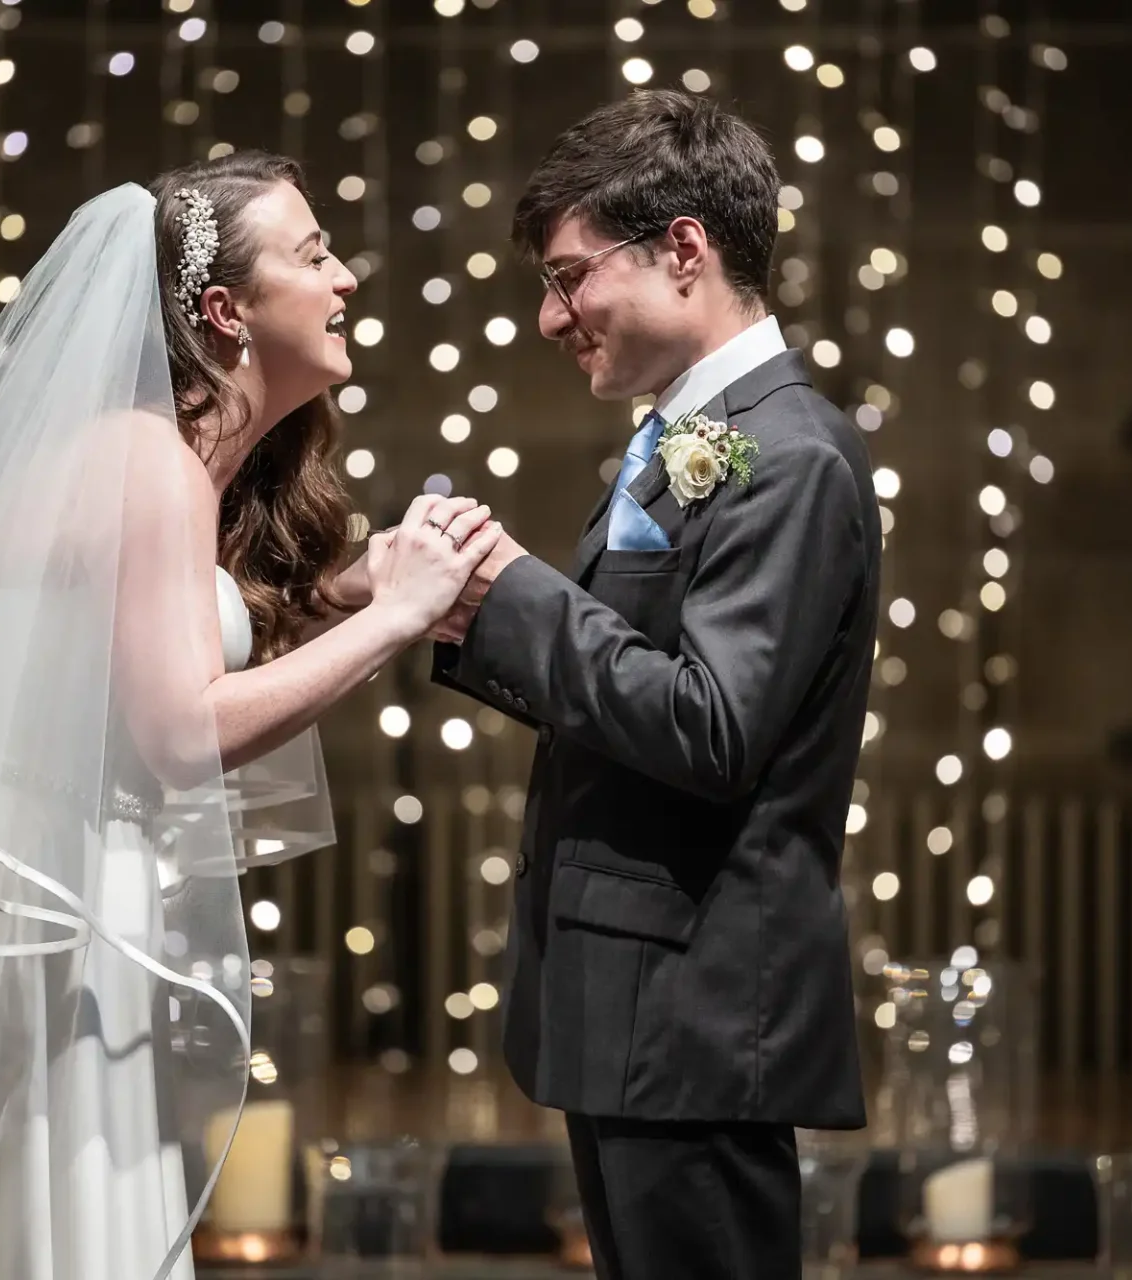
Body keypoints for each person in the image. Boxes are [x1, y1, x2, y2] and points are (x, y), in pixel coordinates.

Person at [0, 152, 500, 1280]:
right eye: (315, 254)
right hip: (41, 939)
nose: (348, 282)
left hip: (57, 913)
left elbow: (150, 636)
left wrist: (345, 586)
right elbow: (179, 731)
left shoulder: (160, 456)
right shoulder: (145, 459)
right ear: (226, 312)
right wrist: (393, 623)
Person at [431, 91, 881, 1279]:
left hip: (701, 1008)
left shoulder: (788, 453)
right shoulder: (686, 437)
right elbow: (630, 688)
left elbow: (711, 722)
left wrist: (513, 587)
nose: (549, 315)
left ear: (684, 248)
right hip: (637, 1002)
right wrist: (472, 613)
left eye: (571, 275)